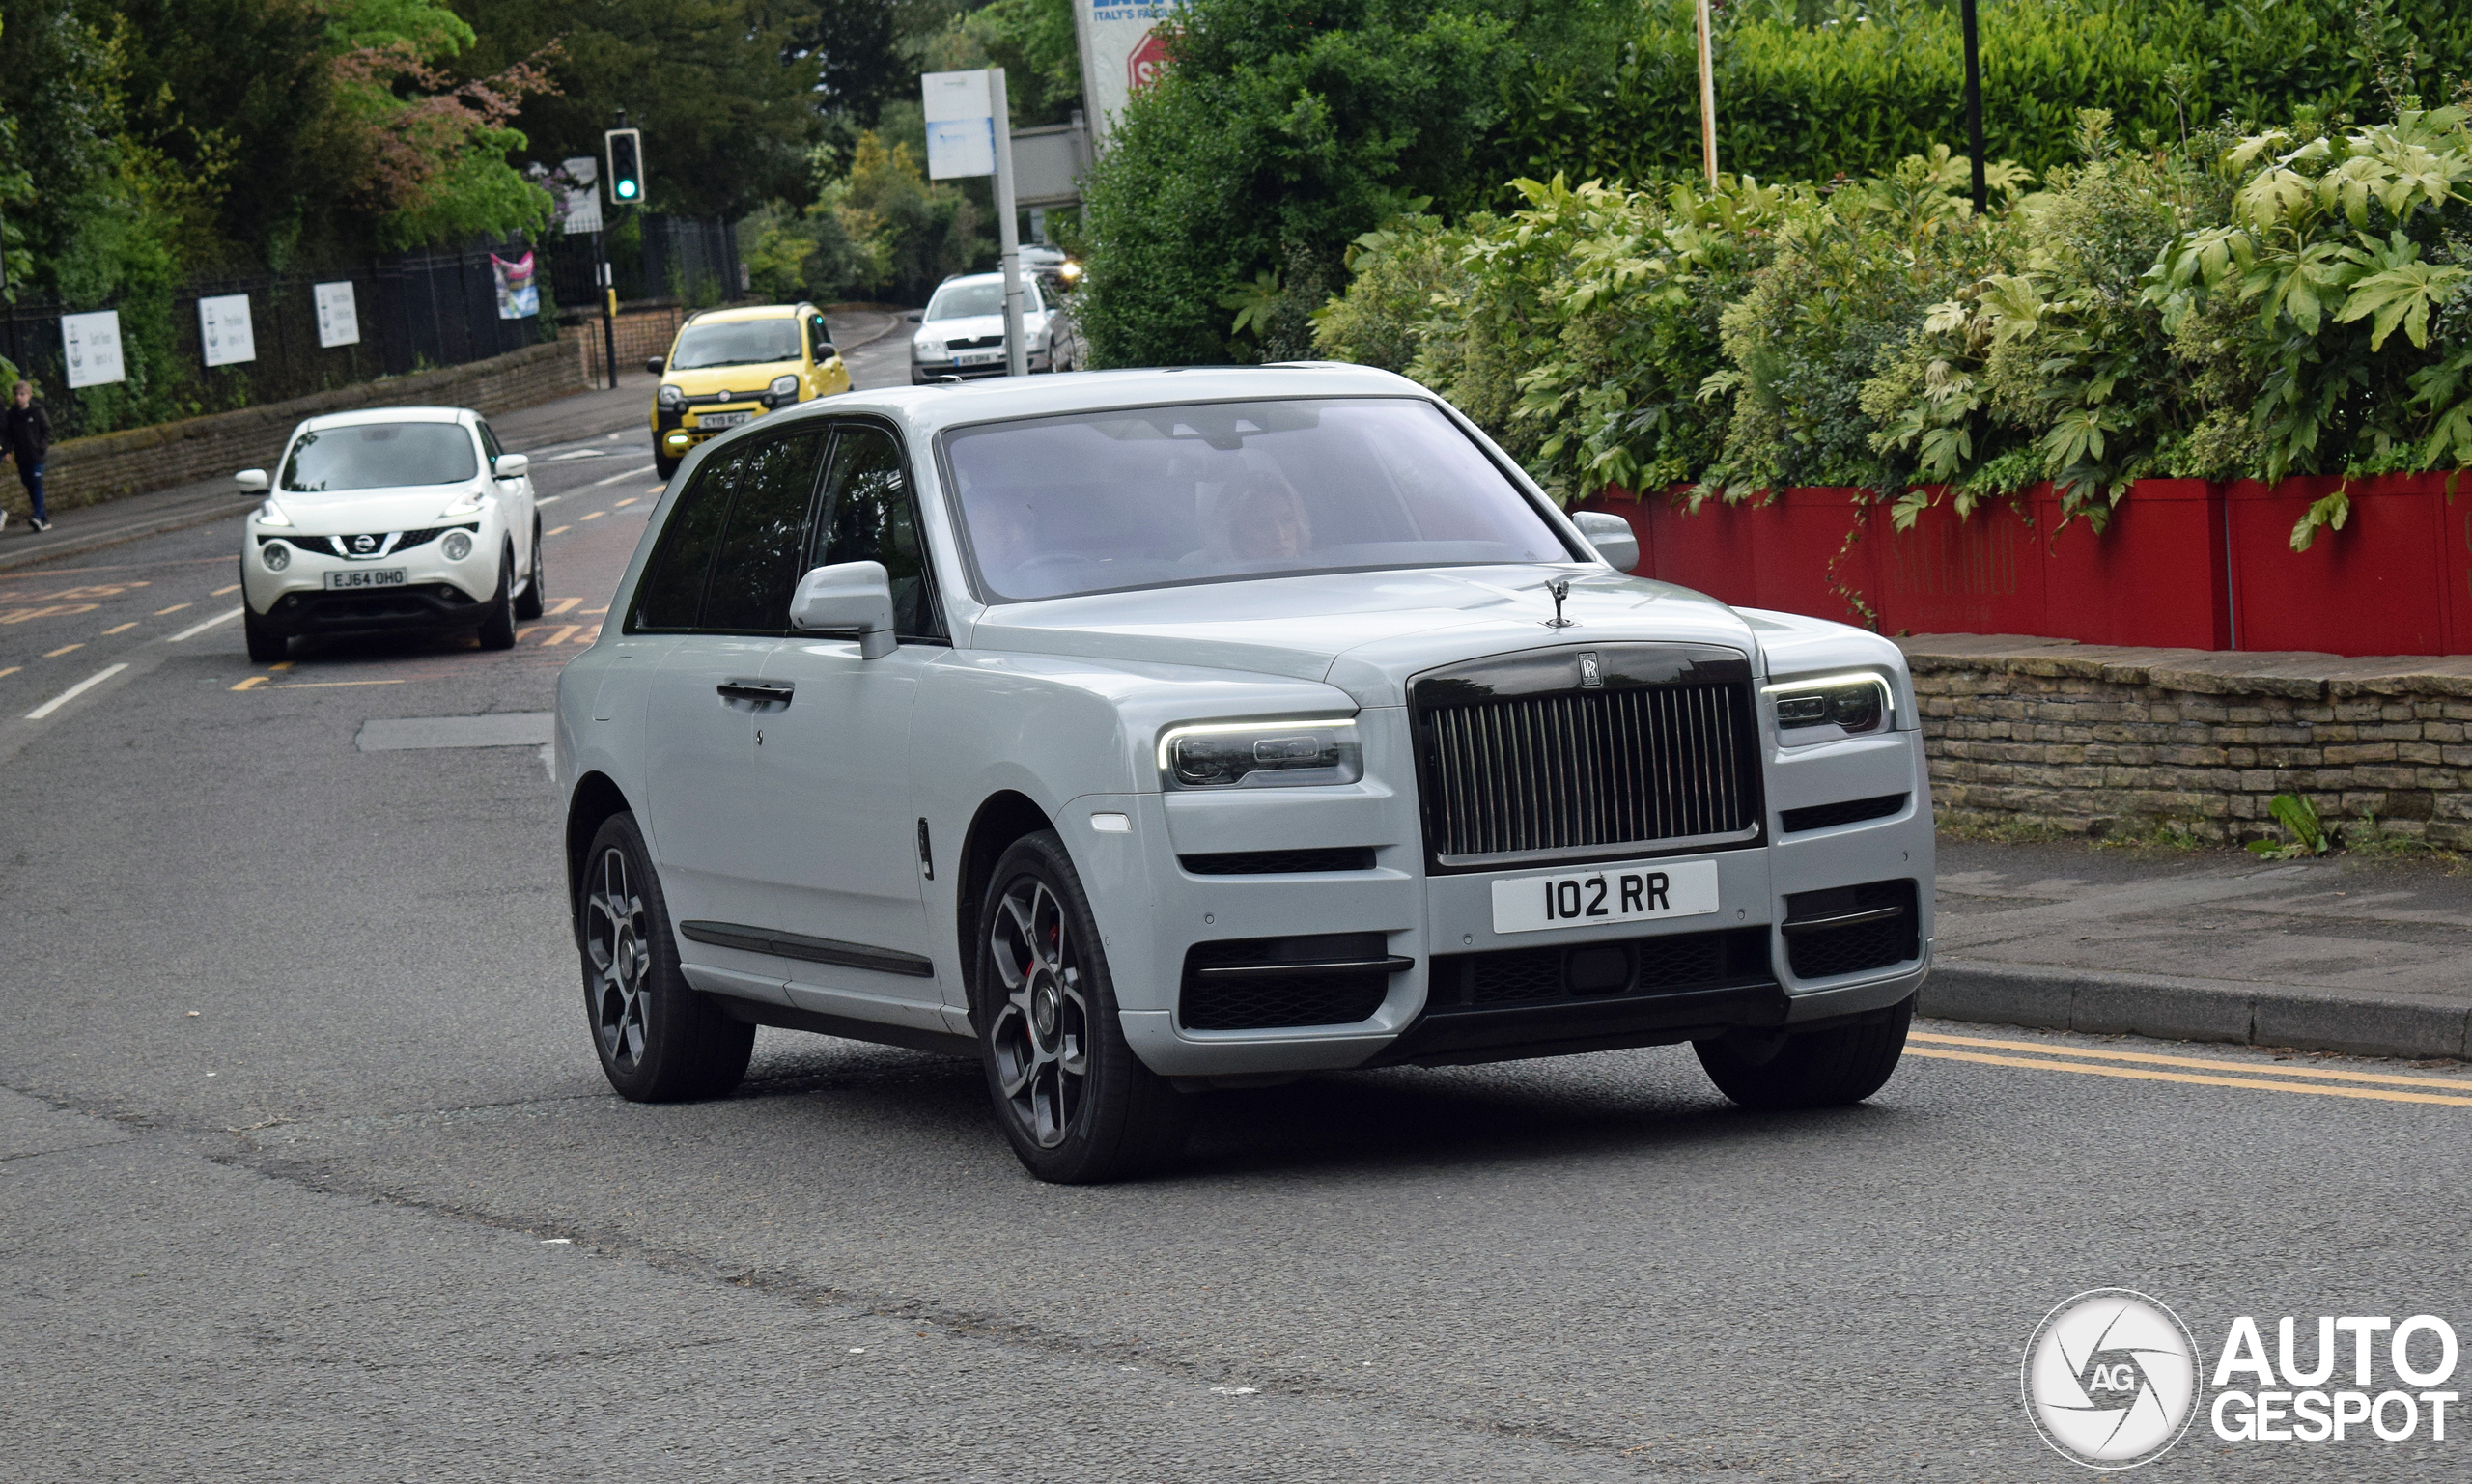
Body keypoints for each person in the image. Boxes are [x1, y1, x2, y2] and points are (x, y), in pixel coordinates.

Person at [4, 380, 52, 532]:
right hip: (22, 456)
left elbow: (47, 431)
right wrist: (6, 451)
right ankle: (43, 520)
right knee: (29, 485)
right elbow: (8, 436)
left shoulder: (37, 411)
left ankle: (37, 515)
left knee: (36, 482)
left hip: (36, 456)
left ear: (29, 396)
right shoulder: (11, 415)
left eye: (22, 394)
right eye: (16, 394)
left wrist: (41, 446)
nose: (19, 397)